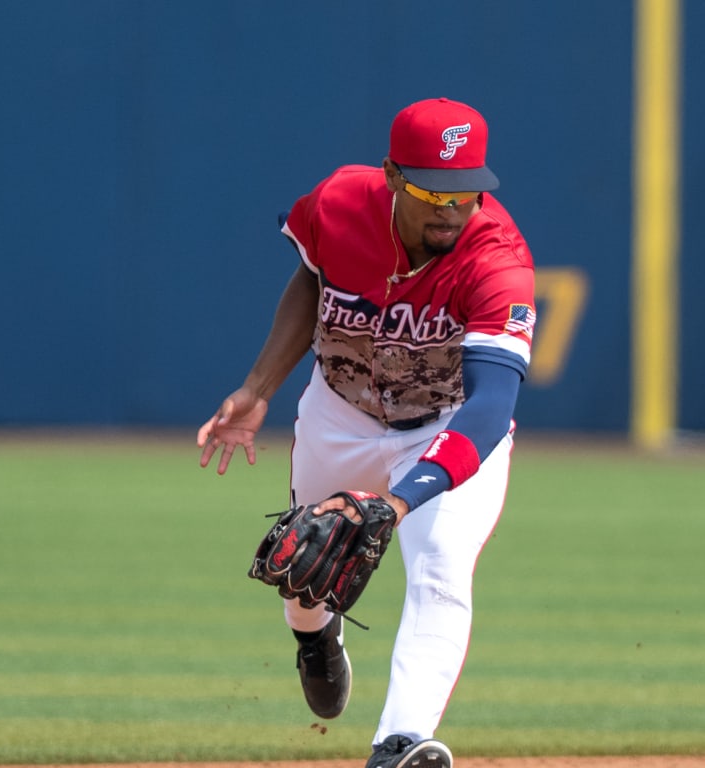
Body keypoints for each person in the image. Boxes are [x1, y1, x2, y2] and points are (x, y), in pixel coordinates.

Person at [196, 97, 536, 768]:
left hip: (446, 425)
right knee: (304, 562)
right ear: (391, 176)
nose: (450, 208)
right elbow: (312, 278)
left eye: (465, 193)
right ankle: (314, 639)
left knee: (439, 569)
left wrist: (401, 500)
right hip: (341, 414)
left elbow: (491, 406)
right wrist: (258, 387)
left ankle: (398, 744)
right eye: (432, 191)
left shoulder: (498, 261)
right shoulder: (339, 203)